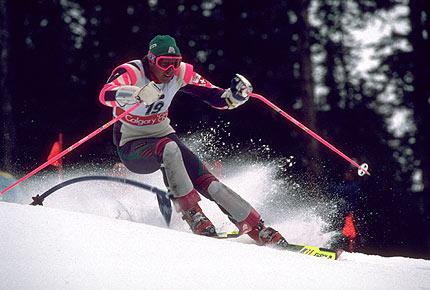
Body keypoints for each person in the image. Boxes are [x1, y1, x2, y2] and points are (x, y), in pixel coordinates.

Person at [99, 34, 288, 248]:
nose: (170, 70)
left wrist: (234, 97)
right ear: (151, 60)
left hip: (163, 135)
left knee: (209, 182)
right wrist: (135, 94)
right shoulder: (131, 71)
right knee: (169, 148)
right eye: (164, 64)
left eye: (175, 63)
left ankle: (256, 227)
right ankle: (193, 214)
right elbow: (105, 95)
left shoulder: (182, 73)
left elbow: (214, 96)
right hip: (132, 144)